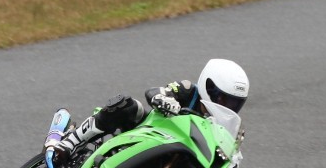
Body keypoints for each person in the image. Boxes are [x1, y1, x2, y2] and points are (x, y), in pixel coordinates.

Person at [45, 58, 250, 162]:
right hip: (146, 132)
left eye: (235, 103)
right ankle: (71, 141)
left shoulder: (221, 127)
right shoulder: (189, 90)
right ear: (209, 86)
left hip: (173, 153)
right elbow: (154, 92)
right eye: (223, 98)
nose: (227, 106)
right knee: (128, 105)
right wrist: (164, 99)